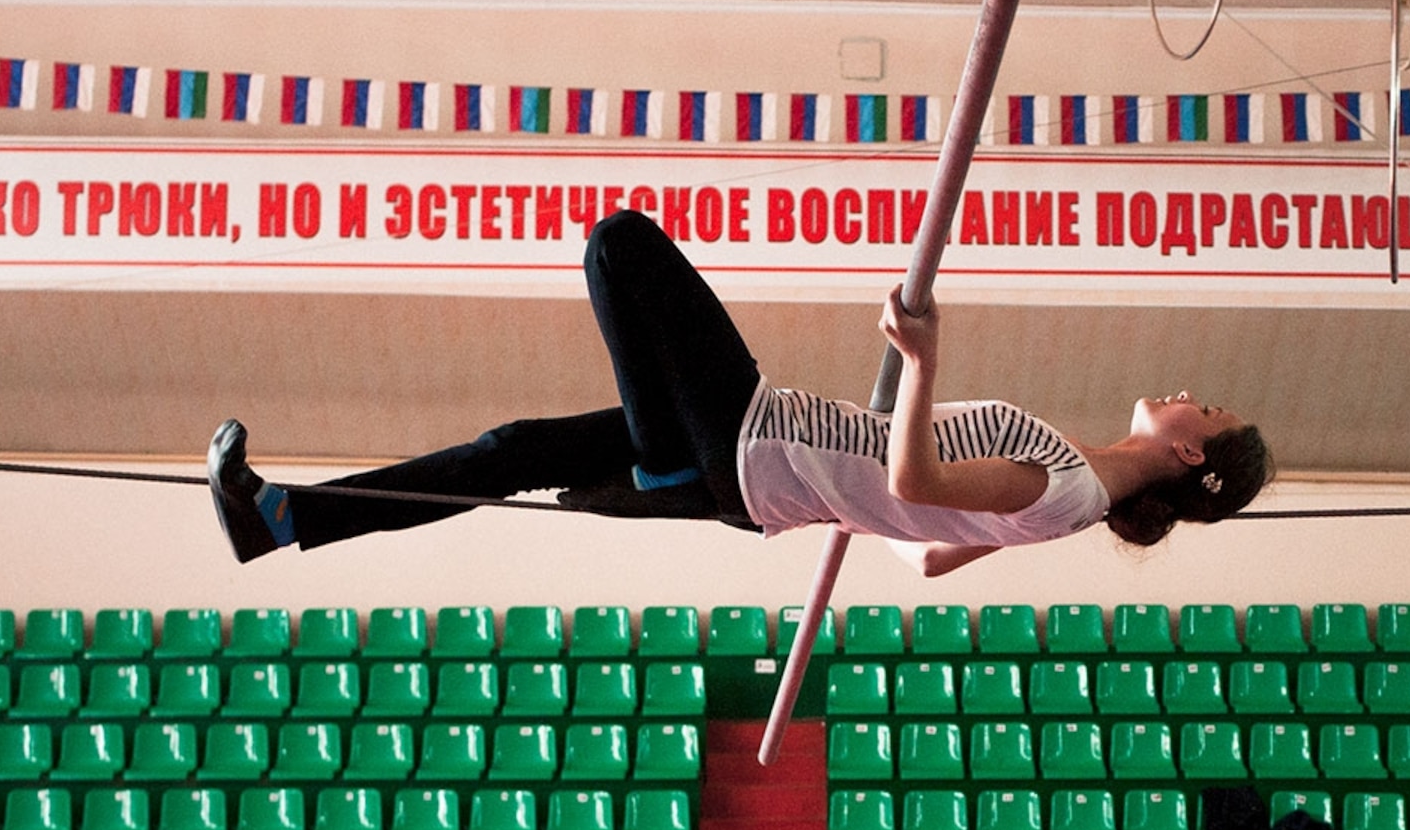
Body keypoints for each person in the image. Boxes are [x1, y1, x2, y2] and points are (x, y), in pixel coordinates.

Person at [207, 209, 1271, 574]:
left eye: (1206, 409)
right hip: (759, 474)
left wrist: (921, 358)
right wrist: (858, 500)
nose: (1189, 394)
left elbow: (911, 473)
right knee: (516, 450)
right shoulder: (1067, 495)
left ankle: (665, 463)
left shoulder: (1074, 485)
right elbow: (931, 548)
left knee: (622, 245)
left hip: (751, 441)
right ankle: (282, 520)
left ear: (1193, 455)